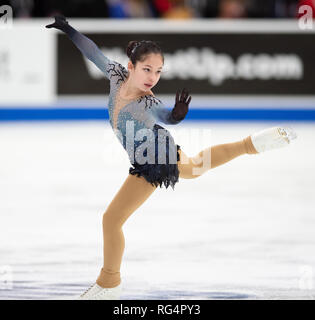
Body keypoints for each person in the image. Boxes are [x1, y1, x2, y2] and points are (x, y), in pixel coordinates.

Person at [45, 16, 297, 300]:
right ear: (131, 67)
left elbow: (166, 116)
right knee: (194, 168)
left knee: (112, 219)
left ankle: (109, 283)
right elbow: (92, 52)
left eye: (159, 72)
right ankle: (252, 144)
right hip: (156, 151)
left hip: (153, 160)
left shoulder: (148, 102)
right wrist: (68, 29)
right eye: (147, 69)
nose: (152, 77)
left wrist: (176, 115)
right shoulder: (115, 75)